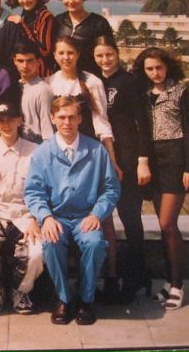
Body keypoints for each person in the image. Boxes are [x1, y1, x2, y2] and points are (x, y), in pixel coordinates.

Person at [24, 96, 121, 325]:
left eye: (71, 117)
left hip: (85, 217)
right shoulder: (42, 153)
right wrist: (46, 217)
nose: (66, 122)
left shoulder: (96, 150)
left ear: (80, 119)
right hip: (56, 217)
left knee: (95, 243)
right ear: (52, 118)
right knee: (51, 243)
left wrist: (97, 214)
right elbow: (33, 192)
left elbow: (111, 188)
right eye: (61, 117)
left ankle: (86, 299)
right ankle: (64, 298)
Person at [49, 35, 122, 302]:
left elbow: (102, 122)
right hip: (62, 152)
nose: (65, 57)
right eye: (61, 53)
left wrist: (111, 158)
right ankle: (65, 286)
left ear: (78, 54)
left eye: (70, 52)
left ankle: (110, 277)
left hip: (91, 152)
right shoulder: (50, 82)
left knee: (103, 217)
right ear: (55, 56)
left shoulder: (92, 81)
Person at [131, 47, 189, 310]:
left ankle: (178, 285)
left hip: (175, 160)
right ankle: (169, 282)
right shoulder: (143, 93)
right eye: (149, 69)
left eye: (159, 67)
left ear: (167, 66)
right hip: (152, 161)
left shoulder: (179, 91)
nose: (155, 73)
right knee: (164, 227)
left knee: (167, 223)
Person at [93, 36, 152, 303]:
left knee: (130, 217)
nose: (105, 60)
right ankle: (110, 277)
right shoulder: (94, 81)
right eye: (99, 55)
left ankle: (138, 275)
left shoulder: (129, 82)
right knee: (104, 218)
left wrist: (142, 160)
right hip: (103, 156)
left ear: (117, 54)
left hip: (128, 156)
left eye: (109, 54)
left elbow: (143, 123)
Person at [0, 101, 43, 314]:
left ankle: (21, 291)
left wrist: (35, 219)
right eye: (1, 121)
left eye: (11, 119)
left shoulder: (35, 151)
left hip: (25, 213)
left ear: (20, 120)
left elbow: (41, 191)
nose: (6, 125)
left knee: (37, 252)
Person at [55, 0, 115, 76]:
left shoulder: (98, 23)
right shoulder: (58, 21)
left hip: (90, 78)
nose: (71, 1)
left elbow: (109, 53)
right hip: (62, 78)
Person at [5, 0, 56, 77]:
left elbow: (44, 51)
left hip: (42, 75)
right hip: (26, 72)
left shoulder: (45, 16)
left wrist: (22, 25)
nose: (25, 0)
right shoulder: (25, 15)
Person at [12, 44, 54, 144]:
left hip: (36, 145)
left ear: (38, 62)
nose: (25, 66)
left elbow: (48, 131)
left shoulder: (43, 90)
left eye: (30, 61)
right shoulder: (13, 87)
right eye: (20, 61)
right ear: (14, 61)